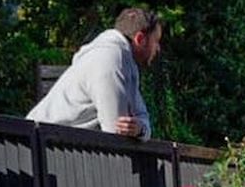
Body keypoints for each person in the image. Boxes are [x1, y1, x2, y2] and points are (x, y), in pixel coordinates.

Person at [27, 8, 161, 139]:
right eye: (156, 41)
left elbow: (141, 117)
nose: (158, 48)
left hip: (60, 145)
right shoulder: (110, 58)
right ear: (140, 39)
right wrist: (140, 131)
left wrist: (141, 129)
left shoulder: (126, 62)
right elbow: (117, 134)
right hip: (40, 144)